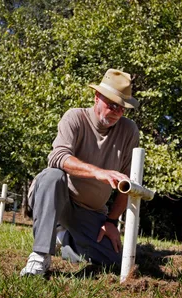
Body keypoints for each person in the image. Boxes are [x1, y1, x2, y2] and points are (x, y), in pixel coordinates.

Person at [20, 68, 140, 276]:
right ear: (96, 98)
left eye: (122, 108)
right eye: (112, 105)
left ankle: (65, 240)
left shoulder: (129, 131)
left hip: (90, 212)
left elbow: (127, 182)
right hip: (59, 199)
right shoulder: (74, 117)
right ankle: (40, 256)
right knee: (52, 175)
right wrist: (98, 173)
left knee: (114, 262)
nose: (116, 112)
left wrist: (111, 221)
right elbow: (57, 158)